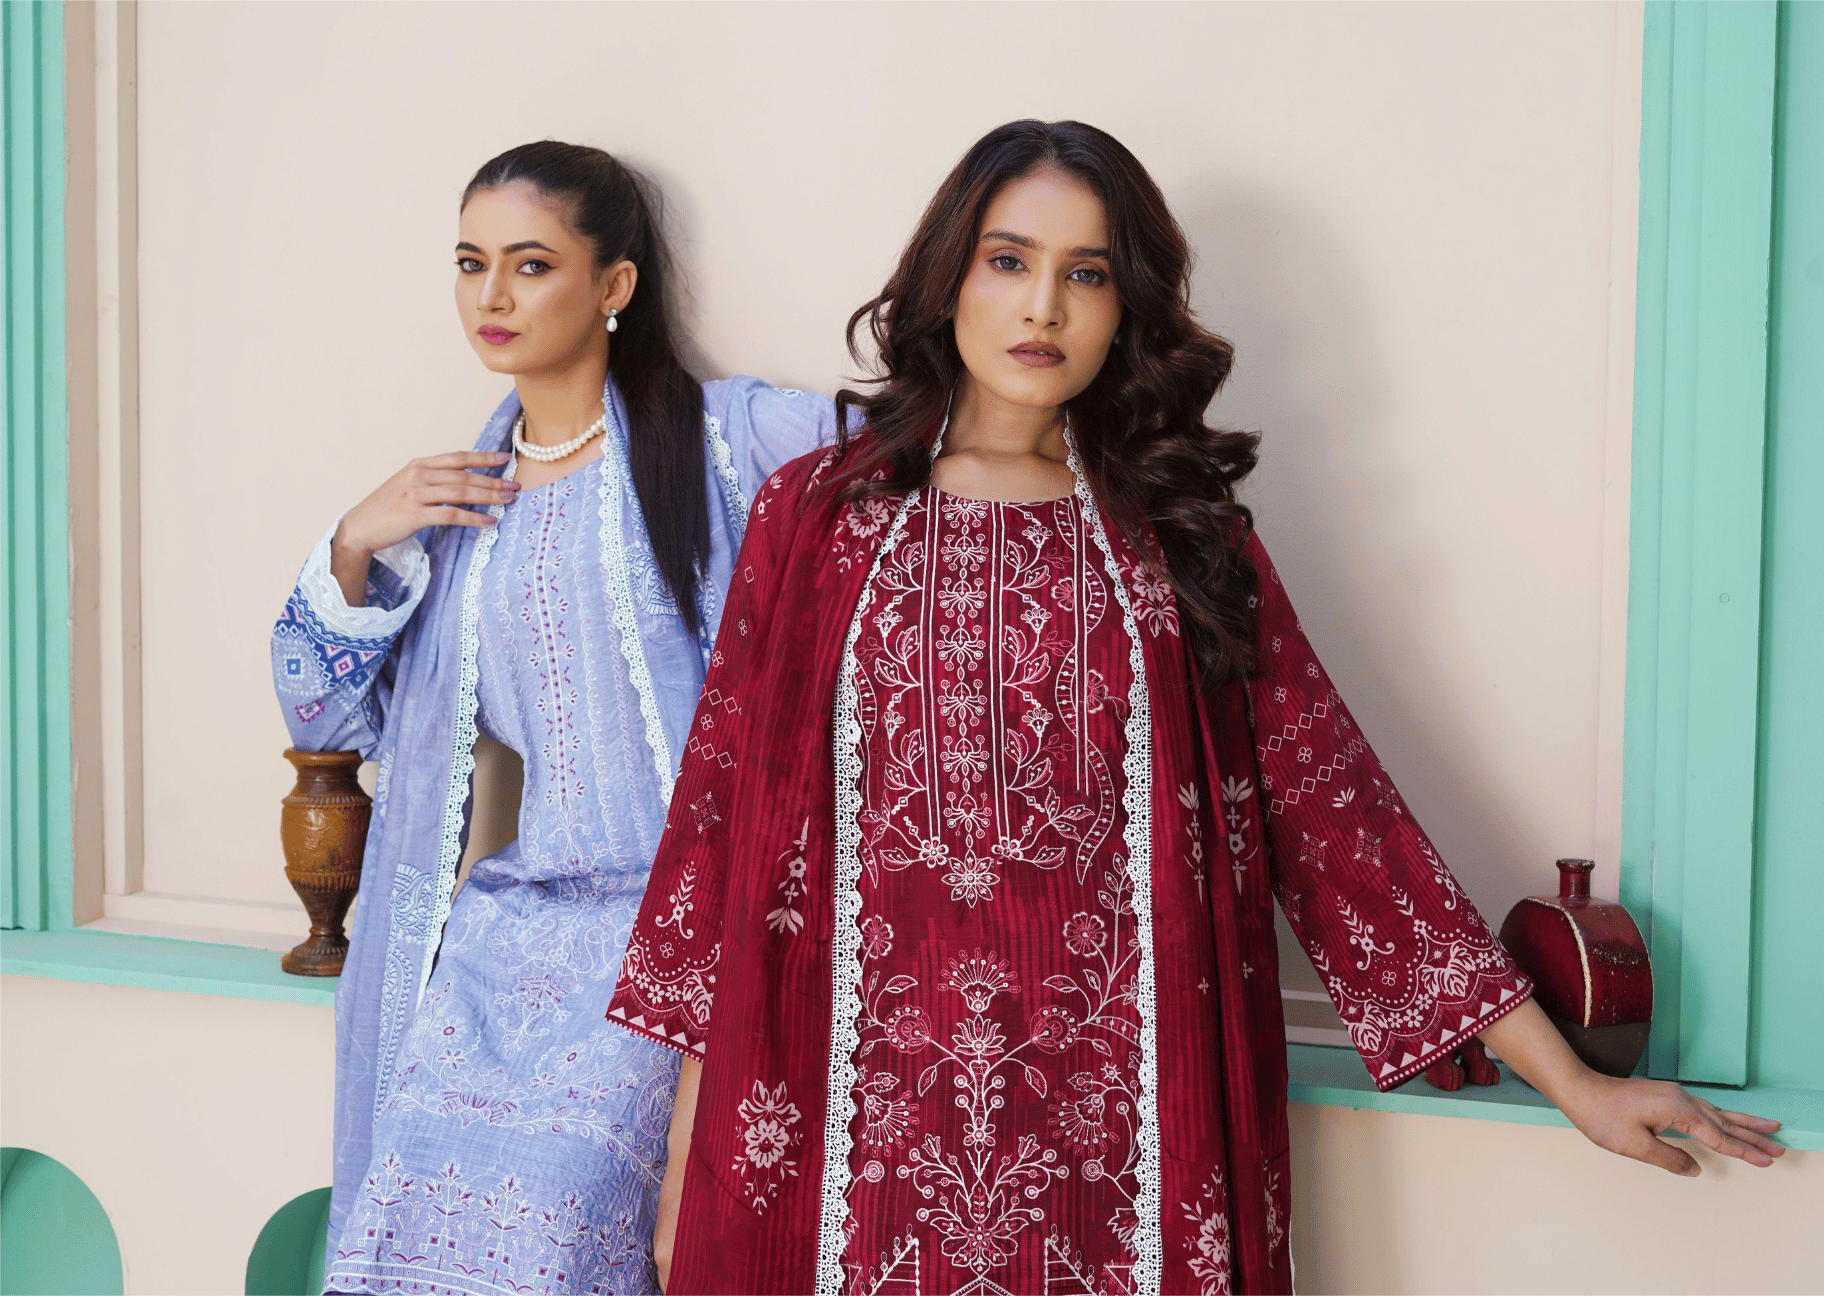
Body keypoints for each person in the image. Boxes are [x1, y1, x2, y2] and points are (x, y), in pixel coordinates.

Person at [602, 120, 1785, 1296]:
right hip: (834, 1141)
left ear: (1127, 308)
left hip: (1120, 1142)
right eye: (1009, 261)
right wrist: (683, 1161)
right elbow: (722, 830)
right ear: (947, 275)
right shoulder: (817, 517)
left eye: (1087, 275)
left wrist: (1574, 1082)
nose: (1043, 308)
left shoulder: (1176, 537)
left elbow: (1333, 815)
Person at [270, 140, 835, 1295]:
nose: (493, 295)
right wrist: (356, 539)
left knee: (565, 1215)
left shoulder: (730, 441)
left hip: (682, 933)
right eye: (471, 263)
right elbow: (326, 713)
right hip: (512, 934)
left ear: (613, 283)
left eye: (530, 265)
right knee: (406, 1216)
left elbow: (936, 463)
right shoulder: (459, 510)